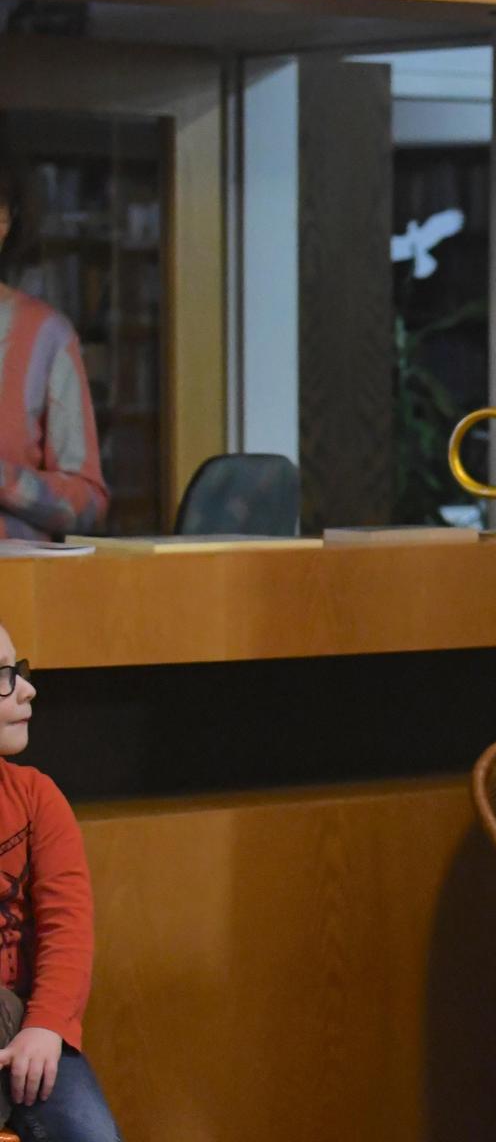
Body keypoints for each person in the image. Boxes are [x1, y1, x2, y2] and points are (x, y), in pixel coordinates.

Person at [0, 624, 124, 1140]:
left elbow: (67, 929)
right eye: (3, 678)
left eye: (18, 671)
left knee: (90, 1133)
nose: (27, 688)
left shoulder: (36, 798)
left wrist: (45, 1026)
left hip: (30, 1021)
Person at [0, 172, 109, 541]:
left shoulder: (46, 336)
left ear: (2, 221)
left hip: (16, 586)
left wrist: (6, 481)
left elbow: (87, 503)